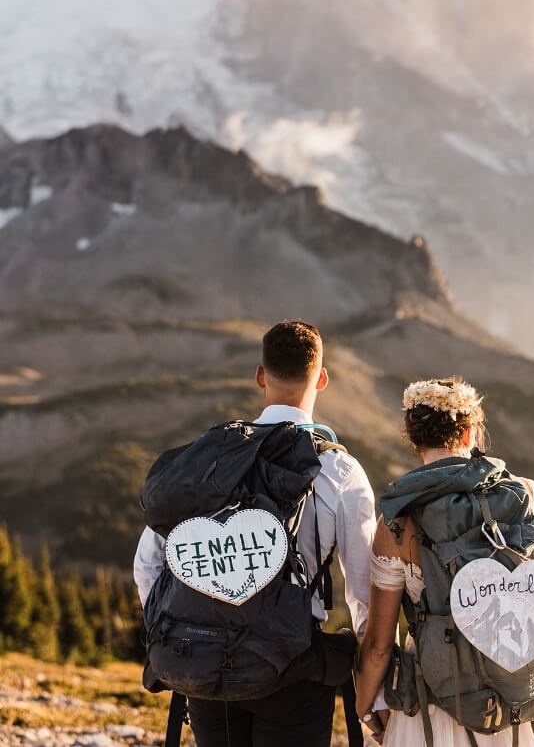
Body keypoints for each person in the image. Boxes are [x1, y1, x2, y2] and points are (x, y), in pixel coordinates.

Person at [355, 376, 534, 746]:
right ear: (469, 432)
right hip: (522, 692)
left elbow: (378, 646)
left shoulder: (397, 522)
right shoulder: (520, 493)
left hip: (438, 699)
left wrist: (365, 708)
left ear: (413, 438)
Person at [133, 320, 376, 747]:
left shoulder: (209, 461)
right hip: (294, 673)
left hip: (206, 670)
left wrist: (181, 631)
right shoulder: (338, 471)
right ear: (321, 378)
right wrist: (376, 689)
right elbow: (364, 591)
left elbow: (149, 563)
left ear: (260, 375)